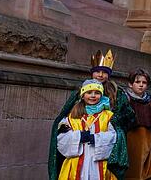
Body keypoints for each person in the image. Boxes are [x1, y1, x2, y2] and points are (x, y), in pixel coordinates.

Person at [48, 50, 132, 180]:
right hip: (79, 150)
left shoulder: (118, 93)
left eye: (104, 72)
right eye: (97, 71)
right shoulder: (79, 94)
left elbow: (128, 117)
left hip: (103, 143)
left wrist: (115, 121)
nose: (100, 74)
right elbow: (65, 119)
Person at [55, 79, 119, 179]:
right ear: (83, 95)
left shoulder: (108, 116)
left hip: (98, 163)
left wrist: (96, 139)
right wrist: (78, 137)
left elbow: (114, 137)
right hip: (75, 163)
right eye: (89, 93)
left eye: (97, 93)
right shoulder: (72, 116)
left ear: (101, 96)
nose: (93, 96)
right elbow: (61, 138)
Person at [124, 68, 151, 180]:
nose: (141, 85)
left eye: (144, 83)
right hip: (129, 145)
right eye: (137, 82)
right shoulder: (124, 101)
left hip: (146, 147)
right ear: (130, 84)